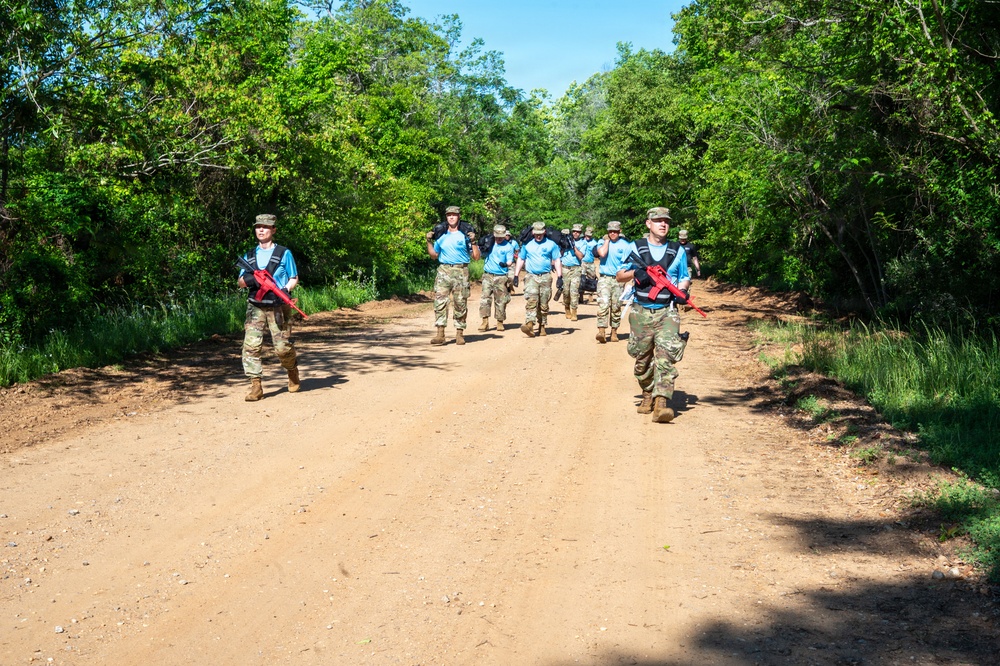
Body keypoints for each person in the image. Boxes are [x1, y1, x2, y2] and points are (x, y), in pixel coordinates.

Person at [616, 207, 691, 423]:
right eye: (658, 221)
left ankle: (661, 403)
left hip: (667, 311)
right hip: (641, 311)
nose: (663, 224)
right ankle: (647, 393)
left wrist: (682, 291)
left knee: (666, 357)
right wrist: (636, 273)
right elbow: (619, 275)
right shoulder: (635, 247)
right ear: (648, 224)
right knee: (642, 360)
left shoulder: (677, 250)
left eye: (666, 221)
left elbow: (684, 277)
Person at [237, 214, 301, 402]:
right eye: (258, 226)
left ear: (273, 230)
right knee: (251, 346)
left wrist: (285, 289)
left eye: (265, 227)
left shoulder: (284, 253)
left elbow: (294, 277)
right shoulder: (250, 255)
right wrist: (252, 279)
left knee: (282, 347)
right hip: (255, 307)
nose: (261, 230)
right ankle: (256, 386)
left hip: (278, 306)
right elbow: (240, 282)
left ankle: (292, 370)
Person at [427, 205, 480, 345]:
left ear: (459, 217)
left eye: (454, 215)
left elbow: (476, 257)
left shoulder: (465, 234)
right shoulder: (441, 234)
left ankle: (459, 333)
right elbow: (434, 255)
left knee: (460, 302)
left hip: (460, 270)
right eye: (449, 215)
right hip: (443, 270)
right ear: (446, 217)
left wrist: (473, 241)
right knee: (440, 302)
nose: (451, 217)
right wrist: (429, 241)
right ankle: (440, 334)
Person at [512, 221, 562, 337]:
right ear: (533, 233)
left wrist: (559, 276)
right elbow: (521, 259)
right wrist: (516, 275)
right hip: (531, 276)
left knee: (543, 304)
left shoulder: (551, 245)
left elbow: (557, 260)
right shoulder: (527, 245)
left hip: (545, 277)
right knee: (531, 300)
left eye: (540, 234)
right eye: (536, 234)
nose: (538, 236)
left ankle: (542, 325)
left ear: (544, 232)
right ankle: (529, 324)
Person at [594, 220, 631, 343]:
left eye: (615, 231)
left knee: (616, 307)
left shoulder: (626, 245)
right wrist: (606, 241)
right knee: (603, 304)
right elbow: (602, 253)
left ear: (620, 231)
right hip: (604, 278)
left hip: (618, 280)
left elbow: (629, 263)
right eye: (610, 231)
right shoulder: (602, 242)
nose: (613, 233)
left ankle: (614, 332)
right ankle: (601, 331)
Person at [478, 225, 515, 332]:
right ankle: (485, 322)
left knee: (501, 300)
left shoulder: (508, 247)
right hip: (488, 275)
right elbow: (481, 254)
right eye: (497, 236)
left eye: (501, 236)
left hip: (501, 276)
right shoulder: (488, 243)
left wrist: (506, 264)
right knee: (485, 299)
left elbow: (510, 261)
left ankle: (500, 321)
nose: (499, 238)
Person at [560, 223, 585, 320]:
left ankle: (574, 311)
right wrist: (564, 244)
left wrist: (573, 246)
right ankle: (567, 307)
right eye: (574, 231)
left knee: (574, 291)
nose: (575, 233)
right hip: (565, 268)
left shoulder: (583, 243)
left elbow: (580, 256)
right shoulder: (566, 241)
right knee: (566, 291)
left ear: (580, 233)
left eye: (578, 232)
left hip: (576, 269)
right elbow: (559, 254)